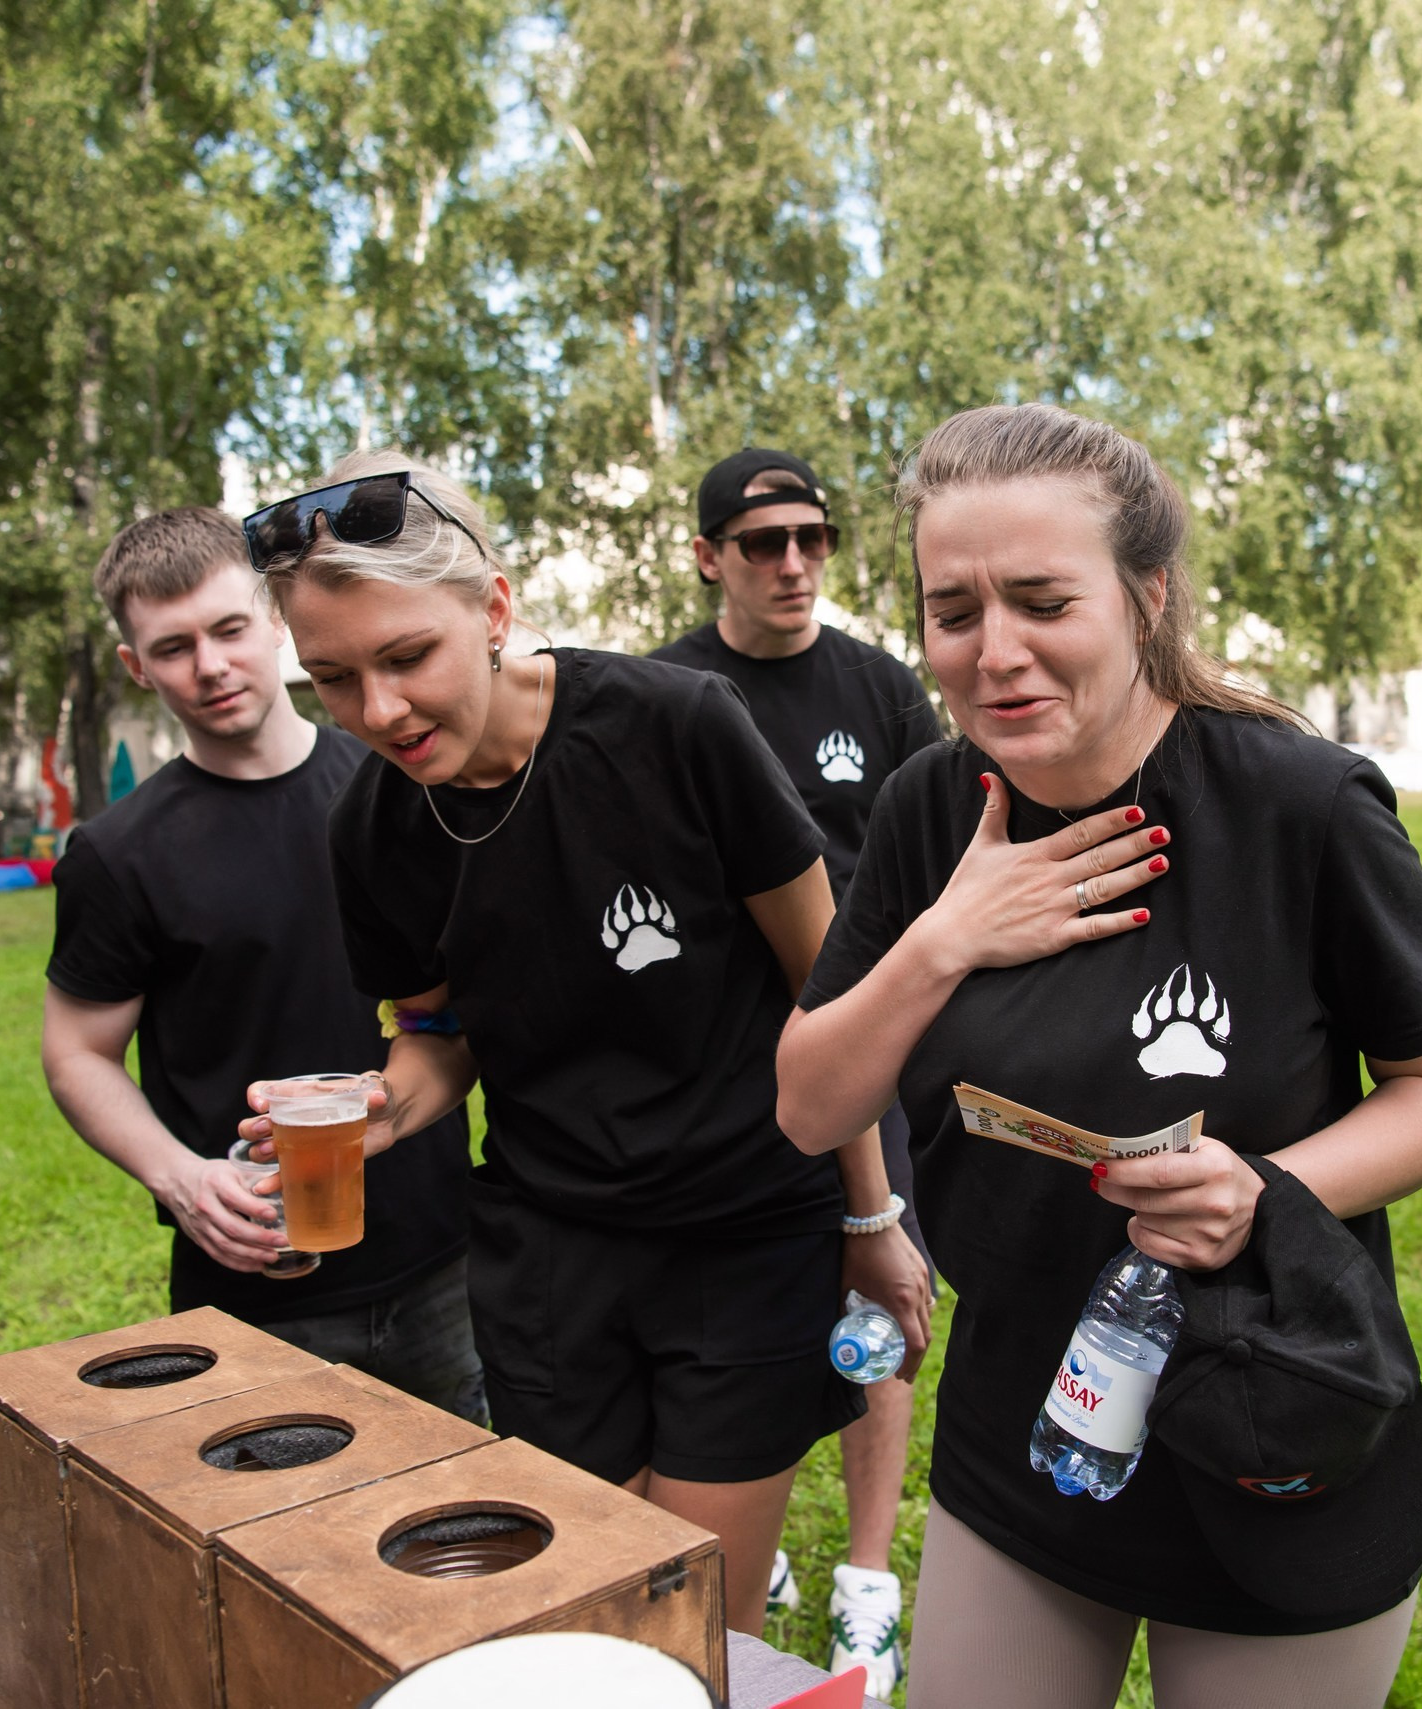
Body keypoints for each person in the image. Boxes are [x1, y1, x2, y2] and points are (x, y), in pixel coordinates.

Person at [775, 404, 1422, 1709]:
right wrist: (948, 938)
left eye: (1045, 600)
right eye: (954, 612)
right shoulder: (930, 810)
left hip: (1269, 1413)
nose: (994, 653)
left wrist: (1269, 1190)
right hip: (1027, 1425)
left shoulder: (1301, 805)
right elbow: (810, 1100)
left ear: (1146, 595)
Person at [239, 451, 931, 1639]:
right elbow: (437, 1032)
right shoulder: (375, 823)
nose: (378, 712)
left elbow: (829, 990)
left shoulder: (676, 727)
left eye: (407, 658)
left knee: (688, 1613)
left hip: (743, 1230)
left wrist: (870, 1221)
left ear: (495, 608)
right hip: (551, 1252)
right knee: (591, 1606)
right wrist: (383, 1107)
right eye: (333, 681)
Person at [43, 507, 484, 1419]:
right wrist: (179, 1174)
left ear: (277, 621)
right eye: (172, 648)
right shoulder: (120, 850)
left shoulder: (401, 788)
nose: (210, 666)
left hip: (444, 1256)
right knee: (271, 1547)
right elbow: (76, 1052)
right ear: (136, 666)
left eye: (231, 628)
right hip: (253, 1277)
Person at [652, 447, 941, 1685]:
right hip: (718, 1068)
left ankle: (864, 1575)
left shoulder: (878, 688)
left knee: (880, 1303)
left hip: (868, 1049)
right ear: (708, 554)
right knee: (742, 1311)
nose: (791, 562)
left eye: (811, 538)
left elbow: (936, 860)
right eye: (761, 541)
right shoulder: (663, 691)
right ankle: (750, 1531)